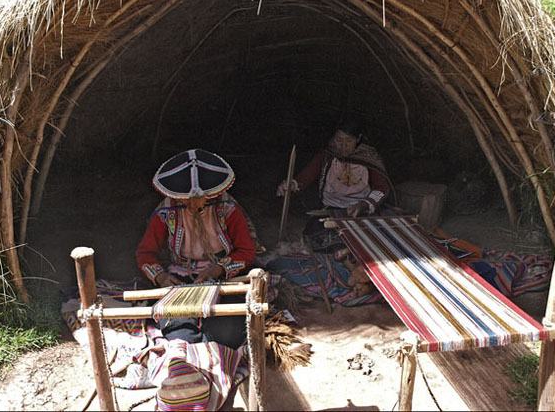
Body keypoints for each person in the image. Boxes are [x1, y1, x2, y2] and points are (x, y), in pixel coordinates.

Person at [136, 148, 256, 349]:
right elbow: (145, 253)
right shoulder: (165, 211)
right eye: (185, 198)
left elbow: (246, 250)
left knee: (227, 336)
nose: (191, 204)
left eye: (197, 198)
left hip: (223, 277)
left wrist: (218, 269)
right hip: (181, 278)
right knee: (178, 332)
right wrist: (161, 277)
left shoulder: (227, 208)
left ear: (210, 194)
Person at [276, 118, 391, 250]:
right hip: (330, 210)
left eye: (349, 140)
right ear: (332, 139)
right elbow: (306, 177)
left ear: (358, 138)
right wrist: (291, 185)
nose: (343, 145)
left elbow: (381, 188)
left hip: (360, 211)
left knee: (368, 242)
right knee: (316, 239)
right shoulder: (326, 156)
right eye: (339, 140)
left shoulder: (369, 158)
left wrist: (364, 204)